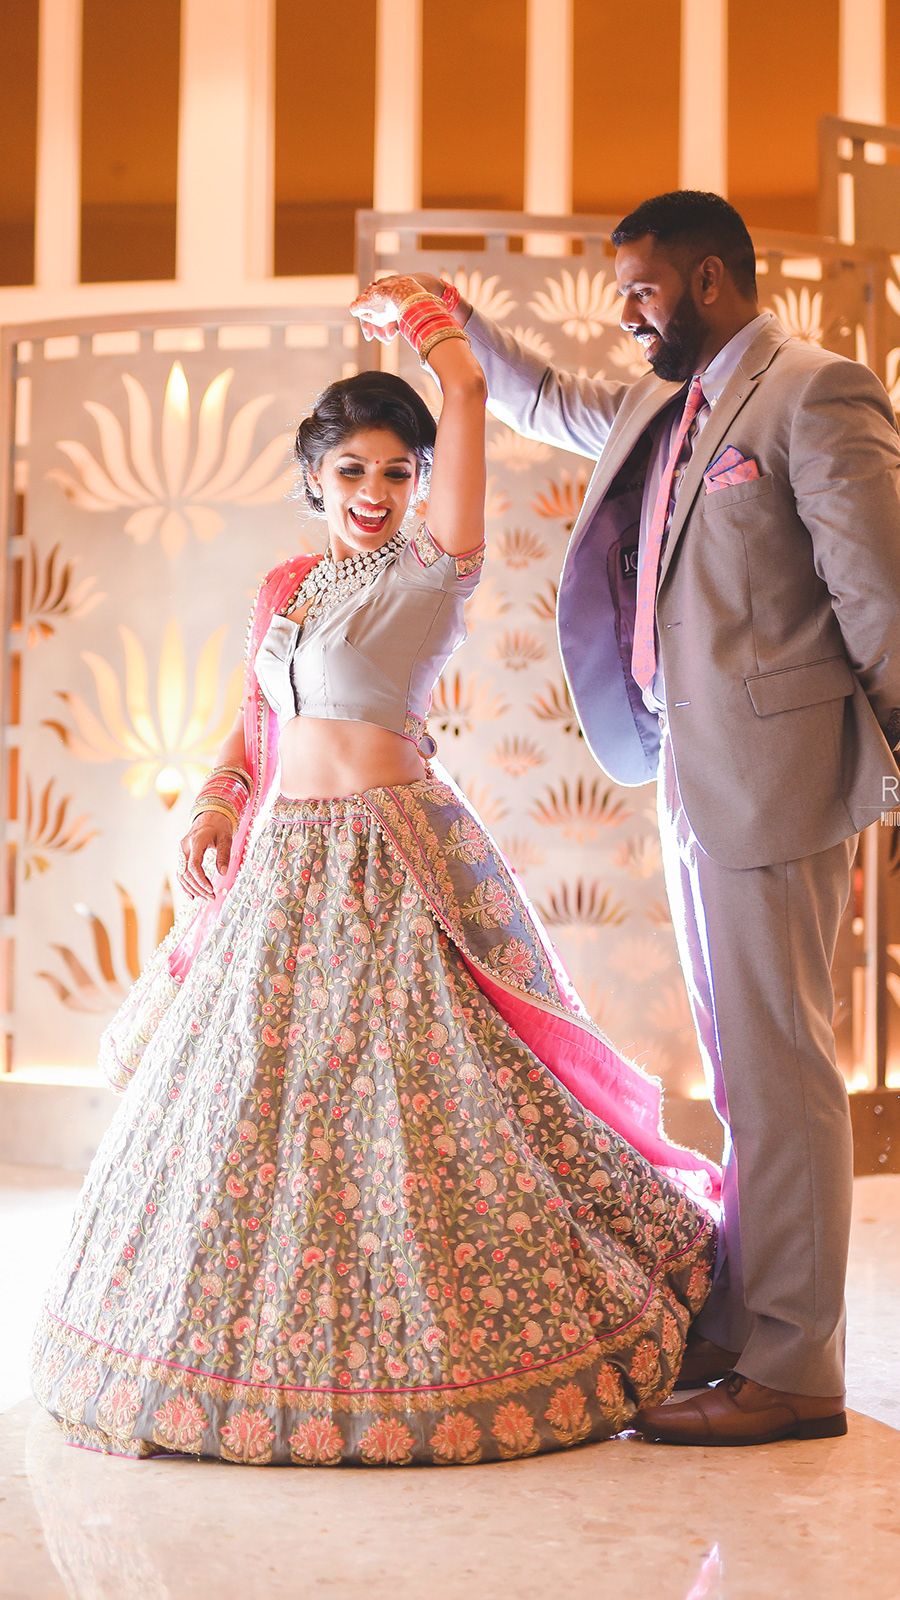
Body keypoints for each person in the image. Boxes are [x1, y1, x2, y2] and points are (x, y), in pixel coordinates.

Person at [30, 278, 716, 1467]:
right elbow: (251, 727)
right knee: (257, 1112)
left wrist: (434, 328)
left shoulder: (430, 571)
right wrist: (217, 798)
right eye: (351, 469)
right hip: (280, 872)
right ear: (315, 477)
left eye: (399, 471)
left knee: (409, 1105)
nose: (374, 490)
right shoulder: (286, 591)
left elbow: (465, 393)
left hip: (386, 860)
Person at [399, 190, 900, 1447]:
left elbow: (883, 596)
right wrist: (453, 323)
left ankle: (797, 1366)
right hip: (691, 770)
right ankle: (745, 1324)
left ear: (712, 279)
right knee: (740, 1068)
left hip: (779, 774)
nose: (625, 313)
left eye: (642, 290)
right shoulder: (659, 405)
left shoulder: (815, 393)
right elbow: (544, 399)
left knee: (784, 1071)